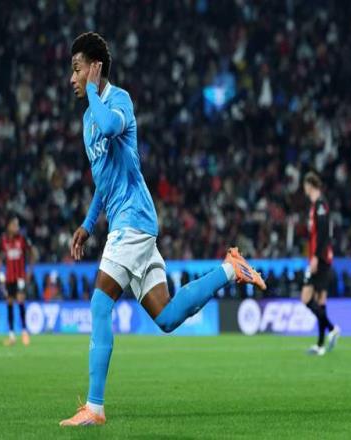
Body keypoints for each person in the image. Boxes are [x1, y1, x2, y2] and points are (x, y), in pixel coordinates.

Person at [60, 32, 267, 427]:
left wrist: (94, 90)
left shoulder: (117, 101)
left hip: (132, 221)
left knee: (100, 305)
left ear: (95, 68)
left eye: (77, 69)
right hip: (128, 223)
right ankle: (230, 269)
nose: (72, 78)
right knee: (168, 317)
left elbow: (110, 127)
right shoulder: (87, 118)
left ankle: (95, 408)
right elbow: (104, 180)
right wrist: (87, 224)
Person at [301, 172, 340, 356]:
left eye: (305, 185)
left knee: (306, 298)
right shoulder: (316, 205)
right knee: (320, 301)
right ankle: (320, 344)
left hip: (321, 259)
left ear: (310, 185)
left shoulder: (320, 204)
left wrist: (316, 257)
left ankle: (332, 329)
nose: (304, 189)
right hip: (321, 258)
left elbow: (324, 232)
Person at [0, 216, 35, 346]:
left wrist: (29, 272)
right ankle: (12, 335)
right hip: (9, 278)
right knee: (9, 303)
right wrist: (0, 273)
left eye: (17, 225)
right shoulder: (3, 240)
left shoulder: (22, 239)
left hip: (20, 278)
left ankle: (24, 332)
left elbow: (32, 254)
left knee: (20, 300)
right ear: (8, 226)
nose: (16, 227)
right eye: (14, 225)